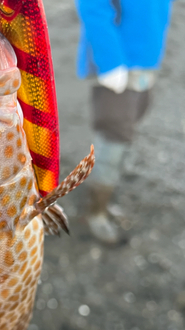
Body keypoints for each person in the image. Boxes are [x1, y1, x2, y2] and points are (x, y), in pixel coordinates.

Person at [75, 0, 173, 243]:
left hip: (145, 55)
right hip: (119, 61)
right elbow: (93, 6)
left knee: (129, 124)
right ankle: (95, 211)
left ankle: (102, 197)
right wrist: (110, 62)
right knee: (114, 136)